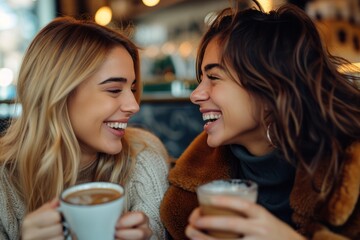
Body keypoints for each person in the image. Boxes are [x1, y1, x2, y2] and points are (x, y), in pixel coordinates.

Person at [160, 1, 360, 240]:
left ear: (271, 88)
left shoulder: (348, 171)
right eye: (200, 78)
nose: (196, 95)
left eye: (213, 77)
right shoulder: (190, 188)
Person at [0, 17, 169, 240]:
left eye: (133, 88)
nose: (133, 106)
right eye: (114, 89)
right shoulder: (4, 184)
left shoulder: (144, 156)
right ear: (58, 93)